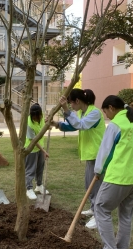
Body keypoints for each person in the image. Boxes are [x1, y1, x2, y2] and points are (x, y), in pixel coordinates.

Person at [90, 95, 133, 249]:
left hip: (120, 176)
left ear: (111, 108)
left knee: (101, 207)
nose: (106, 116)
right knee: (125, 213)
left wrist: (98, 170)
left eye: (106, 112)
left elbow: (105, 150)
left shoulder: (116, 125)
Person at [51, 89, 105, 229]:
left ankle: (98, 215)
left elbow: (81, 125)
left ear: (77, 101)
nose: (72, 107)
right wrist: (56, 124)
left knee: (96, 187)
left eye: (71, 104)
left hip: (97, 155)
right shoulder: (83, 113)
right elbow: (74, 126)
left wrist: (65, 109)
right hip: (90, 155)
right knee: (89, 185)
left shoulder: (94, 113)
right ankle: (94, 208)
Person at [25, 103, 50, 200]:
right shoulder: (28, 123)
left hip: (40, 147)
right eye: (34, 117)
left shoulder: (41, 116)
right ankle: (29, 189)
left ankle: (39, 185)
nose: (36, 119)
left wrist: (47, 123)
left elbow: (42, 125)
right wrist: (44, 151)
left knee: (40, 167)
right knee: (31, 169)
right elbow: (33, 140)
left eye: (38, 117)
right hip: (31, 148)